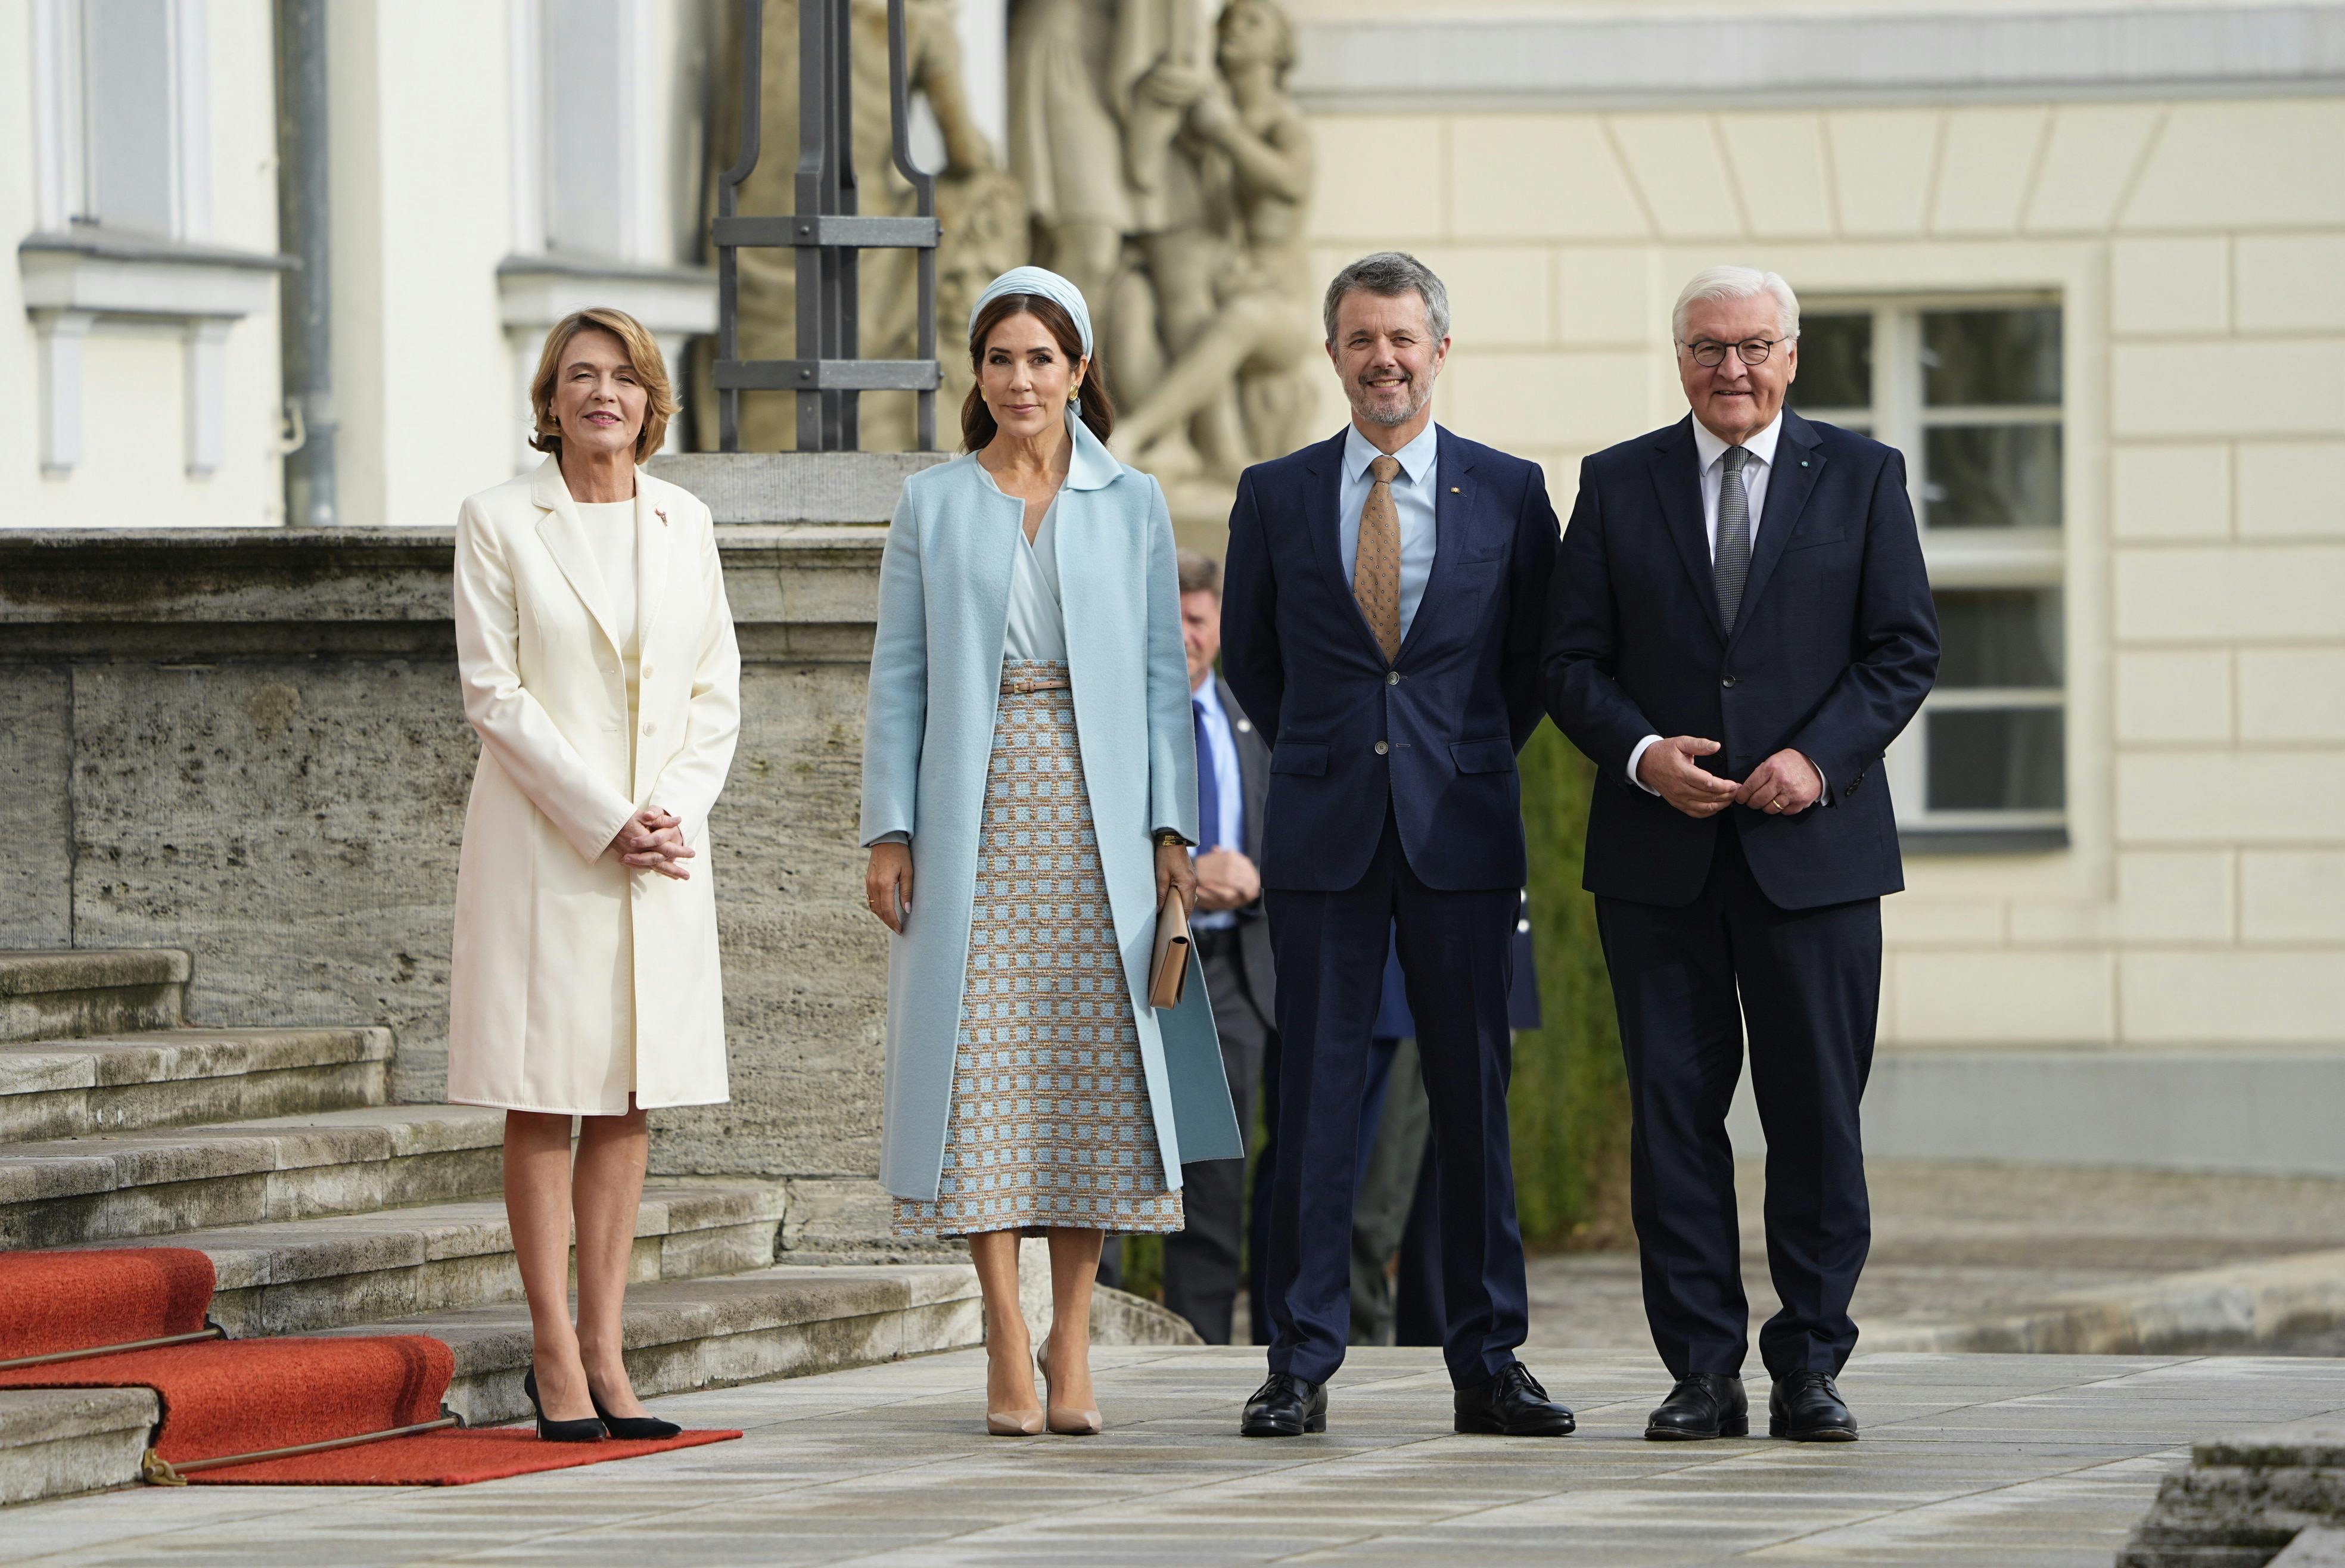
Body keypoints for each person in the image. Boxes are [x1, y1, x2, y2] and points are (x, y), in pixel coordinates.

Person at [1542, 266, 1939, 1444]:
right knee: (1674, 1121)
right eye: (1711, 348)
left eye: (1756, 346)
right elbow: (1568, 662)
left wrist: (1820, 758)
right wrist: (1641, 752)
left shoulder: (1863, 477)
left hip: (1815, 855)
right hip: (1658, 860)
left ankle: (1811, 1361)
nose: (1733, 369)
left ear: (1793, 355)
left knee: (1816, 1117)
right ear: (1681, 360)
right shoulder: (1617, 483)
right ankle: (1701, 1370)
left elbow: (1903, 647)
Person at [860, 266, 1243, 1438]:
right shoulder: (933, 501)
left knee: (1092, 1076)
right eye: (998, 358)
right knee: (983, 1074)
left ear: (1080, 371)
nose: (1018, 379)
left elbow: (1152, 676)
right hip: (972, 807)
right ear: (977, 376)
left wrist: (1173, 831)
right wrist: (889, 824)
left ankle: (1071, 1329)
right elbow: (901, 677)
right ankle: (999, 1325)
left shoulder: (1131, 501)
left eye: (1040, 358)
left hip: (1100, 815)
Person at [1221, 251, 1569, 1439]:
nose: (1384, 358)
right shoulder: (1272, 493)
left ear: (1439, 351)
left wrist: (1451, 755)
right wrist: (1335, 755)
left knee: (1473, 1099)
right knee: (1312, 1105)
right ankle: (1299, 1360)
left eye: (1403, 338)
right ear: (1334, 355)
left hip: (1461, 831)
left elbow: (1530, 665)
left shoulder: (1511, 494)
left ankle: (1489, 1361)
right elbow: (1252, 663)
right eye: (1362, 338)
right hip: (1323, 837)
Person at [449, 307, 741, 1443]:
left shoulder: (687, 521)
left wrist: (669, 813)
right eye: (580, 376)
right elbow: (496, 696)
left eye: (622, 376)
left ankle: (612, 1353)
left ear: (651, 397)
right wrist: (606, 818)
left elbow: (716, 686)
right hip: (544, 848)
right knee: (546, 1089)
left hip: (661, 850)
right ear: (550, 399)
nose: (602, 394)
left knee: (631, 1092)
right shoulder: (497, 521)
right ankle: (553, 1353)